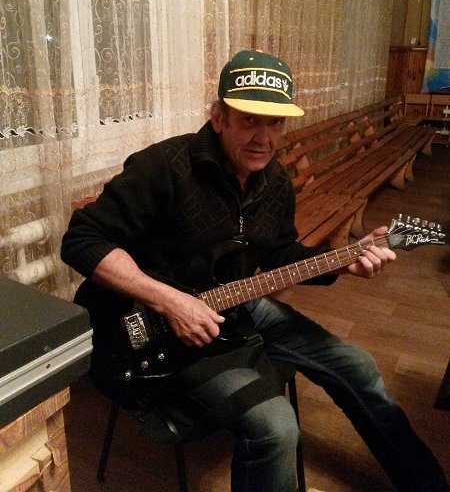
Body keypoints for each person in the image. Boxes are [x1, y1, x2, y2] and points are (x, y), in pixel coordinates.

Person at [61, 50, 448, 492]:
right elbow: (82, 239)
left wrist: (345, 261)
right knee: (276, 428)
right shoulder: (165, 167)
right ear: (219, 117)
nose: (263, 138)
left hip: (236, 305)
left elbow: (280, 252)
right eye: (249, 120)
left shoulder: (274, 182)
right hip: (159, 329)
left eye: (275, 123)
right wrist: (169, 301)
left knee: (357, 365)